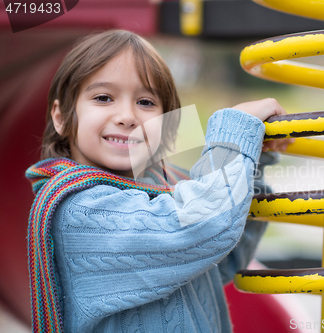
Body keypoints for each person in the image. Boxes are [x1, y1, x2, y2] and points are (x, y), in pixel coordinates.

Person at [25, 29, 293, 332]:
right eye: (103, 98)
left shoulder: (160, 190)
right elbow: (202, 229)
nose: (127, 116)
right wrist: (234, 132)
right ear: (61, 117)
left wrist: (250, 160)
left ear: (167, 126)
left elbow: (223, 258)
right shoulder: (81, 211)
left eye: (146, 102)